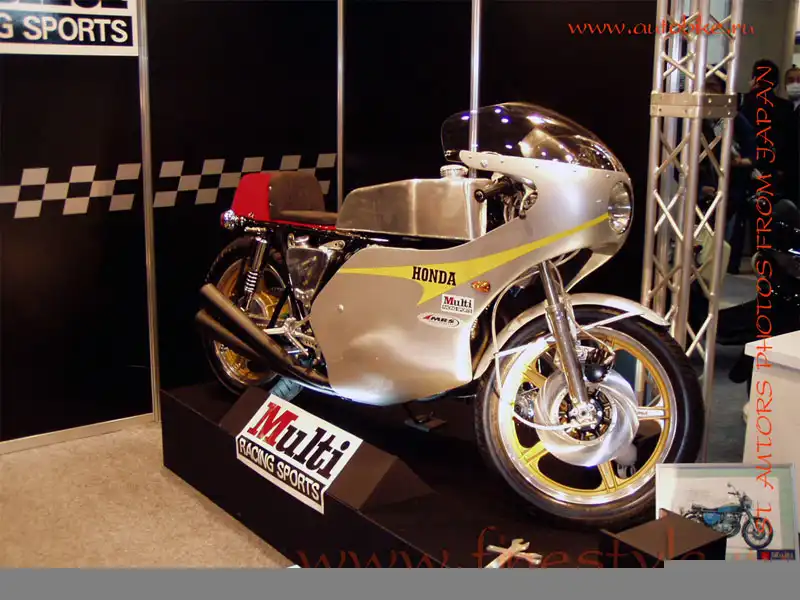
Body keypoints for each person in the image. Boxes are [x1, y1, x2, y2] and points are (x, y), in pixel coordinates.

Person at [784, 65, 800, 206]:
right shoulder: (784, 109)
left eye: (799, 80)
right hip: (788, 173)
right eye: (790, 80)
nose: (795, 84)